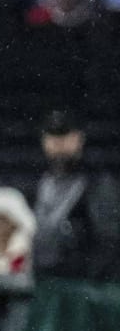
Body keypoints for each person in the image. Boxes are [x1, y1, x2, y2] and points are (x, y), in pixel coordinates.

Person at [31, 110, 120, 280]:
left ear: (79, 139)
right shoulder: (40, 180)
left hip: (80, 284)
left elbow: (108, 240)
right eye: (53, 137)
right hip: (46, 279)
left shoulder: (97, 182)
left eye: (65, 137)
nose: (59, 144)